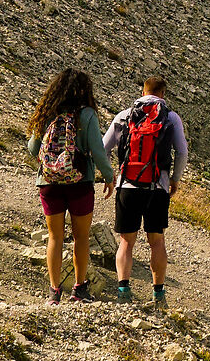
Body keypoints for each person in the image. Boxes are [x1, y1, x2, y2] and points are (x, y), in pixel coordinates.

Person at [27, 68, 115, 304]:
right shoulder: (86, 115)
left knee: (55, 236)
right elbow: (97, 151)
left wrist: (50, 162)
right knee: (81, 237)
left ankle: (54, 291)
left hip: (49, 183)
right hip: (80, 182)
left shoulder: (48, 112)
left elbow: (33, 147)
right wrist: (108, 176)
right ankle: (79, 288)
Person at [105, 72, 187, 310]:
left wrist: (110, 174)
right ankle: (158, 295)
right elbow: (182, 152)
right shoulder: (171, 118)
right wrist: (174, 179)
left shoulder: (125, 116)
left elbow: (104, 146)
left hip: (127, 185)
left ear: (143, 92)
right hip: (157, 187)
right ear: (162, 94)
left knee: (126, 242)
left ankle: (123, 290)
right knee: (157, 241)